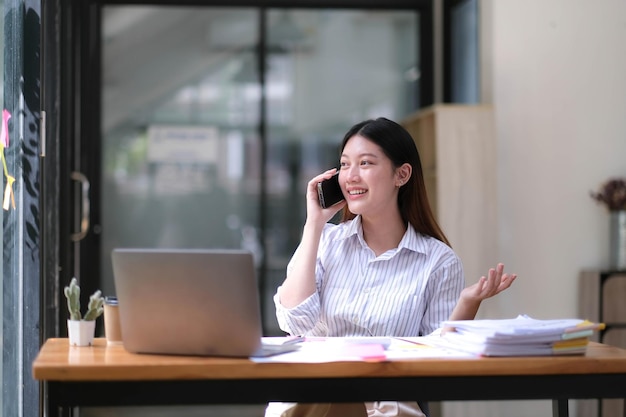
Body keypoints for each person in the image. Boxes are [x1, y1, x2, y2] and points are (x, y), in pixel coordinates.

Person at [265, 117, 517, 417]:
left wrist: (467, 304)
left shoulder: (437, 261)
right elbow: (295, 322)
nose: (351, 176)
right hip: (313, 398)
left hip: (386, 408)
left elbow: (439, 364)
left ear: (402, 174)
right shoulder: (324, 241)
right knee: (327, 395)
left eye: (366, 163)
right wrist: (315, 224)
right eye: (345, 165)